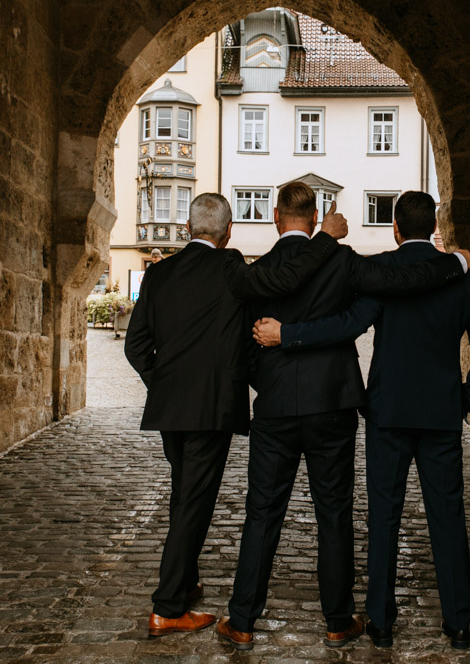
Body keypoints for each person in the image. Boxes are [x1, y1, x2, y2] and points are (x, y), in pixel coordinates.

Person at [215, 181, 470, 651]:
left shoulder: (254, 272)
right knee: (334, 514)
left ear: (276, 217)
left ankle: (241, 620)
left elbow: (240, 343)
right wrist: (456, 262)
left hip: (275, 408)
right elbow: (402, 282)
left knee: (261, 514)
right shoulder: (341, 260)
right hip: (332, 406)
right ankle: (338, 621)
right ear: (316, 218)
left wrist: (267, 381)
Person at [124, 191, 347, 638]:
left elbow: (135, 346)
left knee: (184, 495)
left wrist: (167, 386)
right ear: (229, 233)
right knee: (194, 502)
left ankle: (184, 585)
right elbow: (286, 279)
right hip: (211, 407)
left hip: (171, 408)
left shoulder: (158, 273)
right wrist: (324, 238)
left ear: (188, 229)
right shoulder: (231, 270)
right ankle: (167, 607)